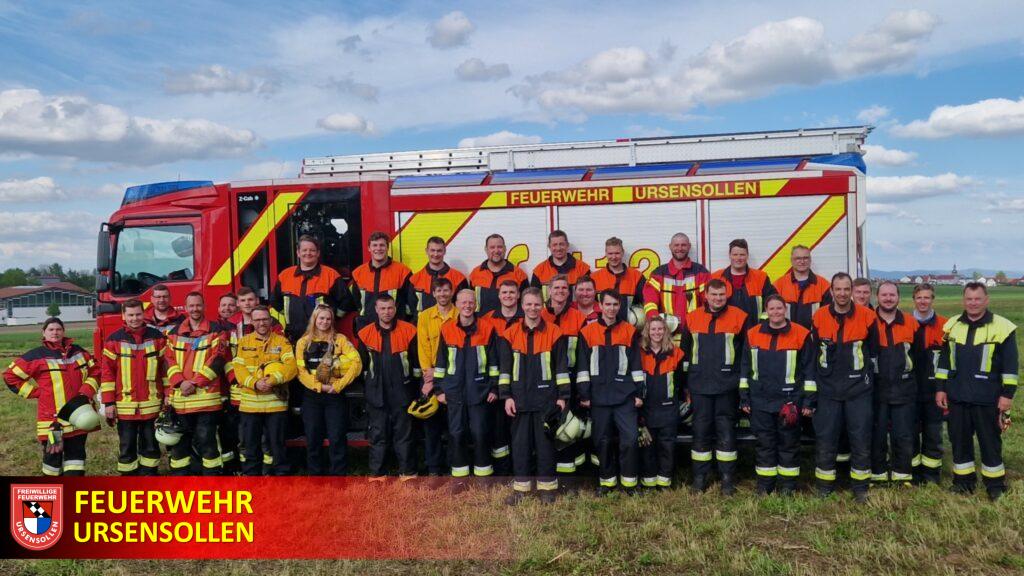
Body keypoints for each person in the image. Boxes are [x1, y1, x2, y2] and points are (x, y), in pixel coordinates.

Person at [936, 282, 1018, 501]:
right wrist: (941, 389)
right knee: (959, 441)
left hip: (988, 397)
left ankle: (995, 485)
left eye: (977, 299)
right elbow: (944, 361)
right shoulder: (952, 326)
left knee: (990, 442)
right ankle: (963, 482)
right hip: (957, 396)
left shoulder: (1002, 327)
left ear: (986, 300)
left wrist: (1007, 395)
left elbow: (1010, 365)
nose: (973, 303)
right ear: (964, 300)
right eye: (969, 299)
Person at [809, 273, 878, 502]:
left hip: (858, 390)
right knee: (826, 438)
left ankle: (860, 487)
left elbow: (873, 353)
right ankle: (824, 486)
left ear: (852, 291)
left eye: (846, 289)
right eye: (838, 289)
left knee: (860, 438)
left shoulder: (868, 317)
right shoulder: (819, 316)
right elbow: (814, 353)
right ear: (831, 291)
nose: (842, 293)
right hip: (827, 390)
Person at [499, 287, 570, 504]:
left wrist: (562, 396)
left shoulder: (555, 332)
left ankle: (547, 490)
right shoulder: (510, 333)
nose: (533, 308)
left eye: (537, 304)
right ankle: (521, 490)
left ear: (542, 305)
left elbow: (561, 367)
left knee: (545, 446)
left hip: (546, 400)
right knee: (520, 447)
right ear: (522, 306)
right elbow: (505, 370)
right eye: (529, 304)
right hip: (519, 400)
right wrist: (506, 396)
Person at [739, 294, 815, 496]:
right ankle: (765, 486)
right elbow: (745, 367)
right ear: (766, 311)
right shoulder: (752, 334)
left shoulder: (801, 334)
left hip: (788, 401)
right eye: (771, 309)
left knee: (789, 444)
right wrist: (744, 397)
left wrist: (808, 401)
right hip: (760, 400)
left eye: (779, 308)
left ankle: (787, 487)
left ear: (785, 309)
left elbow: (809, 371)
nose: (775, 312)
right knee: (765, 444)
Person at [4, 317, 100, 476]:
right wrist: (36, 392)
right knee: (52, 462)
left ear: (63, 331)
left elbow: (96, 371)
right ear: (44, 333)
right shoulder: (36, 356)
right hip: (53, 422)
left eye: (58, 329)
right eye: (51, 329)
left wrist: (87, 390)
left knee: (76, 461)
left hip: (78, 418)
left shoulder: (79, 352)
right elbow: (10, 376)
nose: (55, 332)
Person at [681, 278, 750, 495]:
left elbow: (746, 355)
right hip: (699, 385)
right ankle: (699, 478)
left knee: (726, 432)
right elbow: (685, 353)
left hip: (727, 385)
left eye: (721, 295)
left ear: (726, 295)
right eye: (714, 295)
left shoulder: (740, 317)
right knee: (700, 431)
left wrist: (741, 383)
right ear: (706, 296)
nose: (718, 299)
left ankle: (727, 479)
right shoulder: (692, 318)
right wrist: (685, 384)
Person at [578, 290, 644, 494]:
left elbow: (636, 365)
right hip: (598, 397)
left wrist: (639, 393)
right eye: (608, 304)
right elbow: (583, 367)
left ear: (620, 306)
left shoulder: (629, 331)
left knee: (630, 440)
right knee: (602, 441)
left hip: (625, 396)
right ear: (600, 306)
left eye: (615, 304)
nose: (612, 308)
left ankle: (630, 483)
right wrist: (584, 394)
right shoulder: (587, 332)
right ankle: (607, 482)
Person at [433, 289, 501, 481]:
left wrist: (494, 388)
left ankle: (483, 477)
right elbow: (441, 363)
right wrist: (438, 390)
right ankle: (459, 478)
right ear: (456, 304)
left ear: (476, 304)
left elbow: (494, 363)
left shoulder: (487, 328)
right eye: (463, 302)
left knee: (480, 434)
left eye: (471, 302)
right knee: (456, 434)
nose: (467, 306)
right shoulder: (447, 329)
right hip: (454, 392)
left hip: (480, 392)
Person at [99, 299, 167, 476]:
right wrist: (108, 403)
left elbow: (165, 370)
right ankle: (129, 478)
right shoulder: (113, 340)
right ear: (123, 316)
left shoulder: (158, 338)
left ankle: (149, 476)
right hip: (125, 405)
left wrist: (168, 395)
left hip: (152, 404)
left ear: (143, 314)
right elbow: (107, 374)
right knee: (127, 446)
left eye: (138, 314)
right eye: (130, 315)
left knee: (151, 445)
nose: (134, 318)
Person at [164, 292, 227, 476]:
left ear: (204, 306)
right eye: (191, 306)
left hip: (206, 400)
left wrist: (194, 383)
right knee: (179, 446)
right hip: (181, 400)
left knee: (207, 443)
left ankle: (212, 481)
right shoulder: (173, 333)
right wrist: (180, 382)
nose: (195, 309)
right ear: (185, 308)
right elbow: (168, 360)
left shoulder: (216, 330)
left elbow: (218, 360)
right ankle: (181, 481)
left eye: (198, 305)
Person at [357, 295, 420, 479]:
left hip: (403, 391)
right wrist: (369, 387)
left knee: (404, 434)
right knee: (378, 434)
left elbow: (416, 364)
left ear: (395, 308)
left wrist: (414, 390)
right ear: (376, 310)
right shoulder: (365, 333)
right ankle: (378, 475)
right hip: (376, 393)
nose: (387, 312)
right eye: (383, 308)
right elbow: (361, 365)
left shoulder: (409, 331)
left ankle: (408, 473)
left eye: (390, 308)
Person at [231, 305, 298, 476]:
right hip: (250, 406)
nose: (262, 323)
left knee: (278, 447)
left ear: (270, 320)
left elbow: (291, 368)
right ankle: (252, 482)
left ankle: (281, 481)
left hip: (276, 405)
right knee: (251, 448)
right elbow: (239, 370)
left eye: (265, 319)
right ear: (252, 322)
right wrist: (255, 383)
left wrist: (272, 380)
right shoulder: (244, 342)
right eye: (258, 320)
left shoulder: (281, 341)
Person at [296, 304, 361, 475]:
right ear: (314, 319)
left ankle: (338, 479)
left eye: (328, 318)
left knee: (337, 436)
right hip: (312, 395)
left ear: (332, 321)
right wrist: (319, 386)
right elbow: (301, 372)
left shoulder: (340, 340)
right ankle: (316, 478)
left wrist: (338, 385)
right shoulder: (303, 342)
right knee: (313, 438)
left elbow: (357, 363)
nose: (324, 322)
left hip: (335, 395)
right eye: (321, 318)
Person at [871, 281, 919, 485]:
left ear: (898, 297)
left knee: (903, 434)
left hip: (904, 388)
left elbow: (919, 358)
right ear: (877, 297)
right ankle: (878, 475)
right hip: (876, 389)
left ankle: (902, 475)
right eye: (884, 295)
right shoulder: (868, 321)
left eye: (892, 295)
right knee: (877, 435)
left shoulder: (911, 322)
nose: (888, 298)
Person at [542, 275, 588, 474]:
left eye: (564, 288)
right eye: (556, 288)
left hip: (571, 381)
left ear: (569, 293)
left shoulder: (578, 318)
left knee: (571, 428)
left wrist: (583, 389)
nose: (560, 291)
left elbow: (584, 356)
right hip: (545, 382)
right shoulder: (540, 315)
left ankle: (571, 476)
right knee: (549, 426)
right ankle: (550, 471)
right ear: (549, 291)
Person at [271, 234, 356, 342]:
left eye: (312, 250)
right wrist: (289, 314)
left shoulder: (330, 275)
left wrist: (334, 318)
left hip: (323, 336)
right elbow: (274, 300)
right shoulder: (285, 275)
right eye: (304, 250)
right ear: (298, 253)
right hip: (293, 335)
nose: (308, 253)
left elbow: (346, 302)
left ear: (318, 253)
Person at [477, 278, 521, 473]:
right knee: (498, 429)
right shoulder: (487, 319)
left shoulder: (527, 317)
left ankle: (520, 468)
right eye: (504, 292)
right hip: (495, 382)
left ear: (518, 295)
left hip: (520, 381)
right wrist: (493, 385)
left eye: (512, 292)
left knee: (519, 429)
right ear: (499, 295)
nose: (508, 296)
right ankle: (503, 472)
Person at [638, 316, 686, 489]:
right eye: (653, 329)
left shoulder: (677, 354)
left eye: (660, 329)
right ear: (647, 332)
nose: (656, 332)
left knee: (667, 446)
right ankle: (649, 482)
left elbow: (682, 382)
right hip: (647, 408)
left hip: (668, 409)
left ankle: (664, 482)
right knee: (648, 446)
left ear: (666, 331)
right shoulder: (639, 353)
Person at [416, 277, 457, 477]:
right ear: (433, 294)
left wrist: (443, 373)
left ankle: (452, 467)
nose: (443, 294)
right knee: (431, 425)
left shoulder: (460, 314)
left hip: (453, 378)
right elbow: (422, 347)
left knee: (453, 426)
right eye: (439, 290)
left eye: (446, 290)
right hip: (430, 378)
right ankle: (434, 468)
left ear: (452, 292)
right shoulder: (424, 316)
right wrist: (429, 377)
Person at [642, 232, 711, 341]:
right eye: (676, 245)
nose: (680, 248)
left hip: (694, 336)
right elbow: (650, 303)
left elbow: (708, 303)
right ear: (670, 246)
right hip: (666, 338)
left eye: (683, 245)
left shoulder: (701, 272)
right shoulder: (658, 274)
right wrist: (657, 327)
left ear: (689, 246)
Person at [910, 283, 947, 484]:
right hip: (910, 390)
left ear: (933, 299)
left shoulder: (945, 326)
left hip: (934, 391)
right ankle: (914, 473)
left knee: (933, 433)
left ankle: (932, 475)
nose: (923, 301)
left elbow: (949, 360)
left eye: (927, 297)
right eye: (919, 297)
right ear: (913, 299)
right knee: (910, 433)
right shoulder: (905, 323)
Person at [352, 231, 413, 331]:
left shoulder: (403, 271)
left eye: (382, 245)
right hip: (366, 328)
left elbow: (410, 304)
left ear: (387, 248)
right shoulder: (358, 273)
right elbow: (357, 303)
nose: (378, 248)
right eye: (374, 245)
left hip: (394, 329)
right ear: (369, 248)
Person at [711, 238, 777, 321]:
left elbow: (772, 303)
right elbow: (709, 305)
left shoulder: (760, 277)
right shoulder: (716, 277)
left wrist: (763, 323)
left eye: (742, 255)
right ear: (729, 255)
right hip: (725, 328)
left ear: (747, 256)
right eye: (735, 254)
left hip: (754, 328)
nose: (738, 258)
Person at [773, 245, 832, 329]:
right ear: (791, 260)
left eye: (805, 258)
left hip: (814, 336)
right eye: (798, 258)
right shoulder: (779, 285)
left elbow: (828, 317)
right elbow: (772, 315)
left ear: (810, 260)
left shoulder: (823, 285)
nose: (802, 261)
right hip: (787, 335)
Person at [408, 236, 468, 318]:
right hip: (424, 324)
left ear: (444, 251)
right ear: (426, 251)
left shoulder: (459, 278)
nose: (435, 254)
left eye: (439, 250)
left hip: (451, 324)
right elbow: (412, 306)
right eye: (432, 250)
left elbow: (464, 305)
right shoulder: (415, 279)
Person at [468, 233, 529, 314]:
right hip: (480, 321)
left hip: (510, 321)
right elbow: (469, 303)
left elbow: (526, 304)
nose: (496, 251)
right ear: (486, 249)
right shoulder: (475, 273)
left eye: (500, 247)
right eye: (492, 247)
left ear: (505, 249)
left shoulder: (519, 274)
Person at [591, 237, 647, 322]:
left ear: (622, 253)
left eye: (617, 253)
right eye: (610, 253)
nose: (614, 257)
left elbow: (646, 302)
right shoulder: (595, 277)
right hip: (602, 327)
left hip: (628, 327)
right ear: (605, 253)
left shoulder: (637, 276)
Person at [530, 230, 591, 300]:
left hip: (575, 307)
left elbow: (589, 298)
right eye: (554, 245)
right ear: (549, 246)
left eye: (561, 244)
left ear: (567, 245)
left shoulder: (582, 269)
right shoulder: (539, 271)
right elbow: (533, 299)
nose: (558, 248)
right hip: (549, 308)